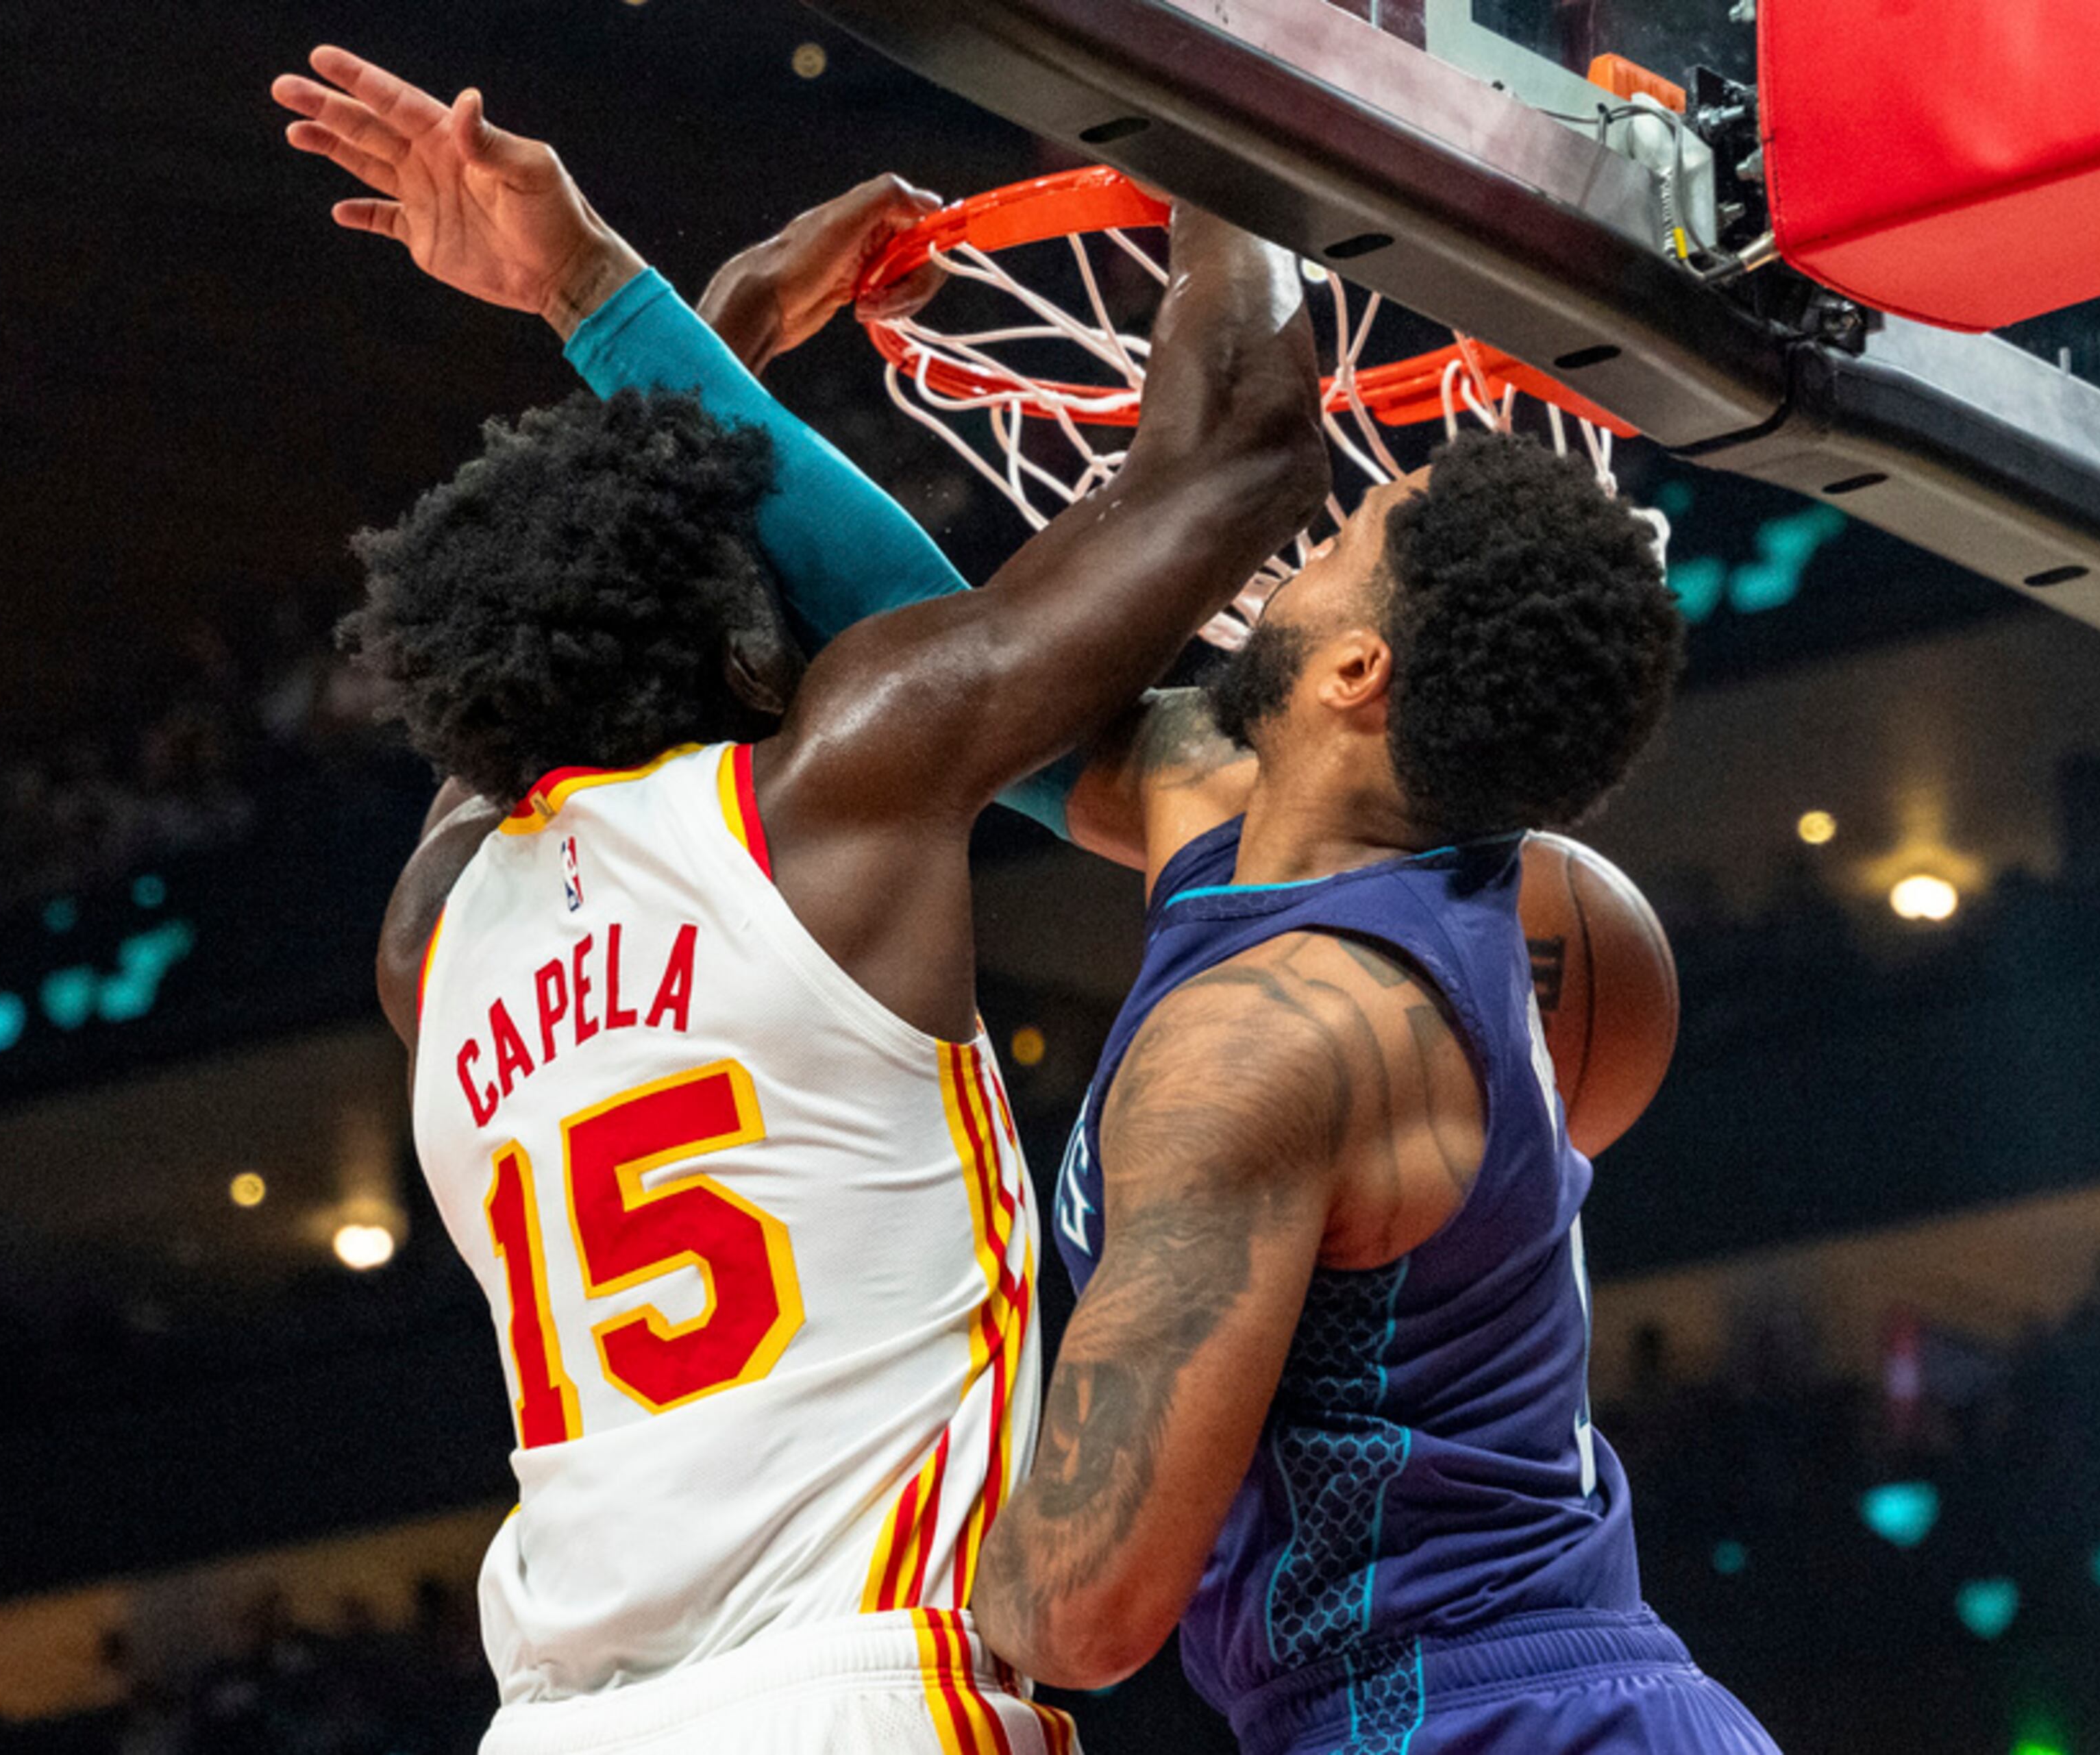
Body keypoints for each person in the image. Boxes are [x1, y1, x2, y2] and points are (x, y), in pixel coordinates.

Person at [571, 178, 1770, 1749]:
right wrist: (609, 307)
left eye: (1343, 544)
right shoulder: (1262, 819)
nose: (1313, 550)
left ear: (1355, 673)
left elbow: (1080, 1609)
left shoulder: (1271, 1044)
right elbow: (943, 650)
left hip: (1484, 1721)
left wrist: (786, 1601)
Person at [271, 44, 1329, 1755]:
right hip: (845, 1690)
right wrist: (1231, 90)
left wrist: (679, 329)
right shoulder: (826, 801)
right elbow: (1243, 457)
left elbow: (552, 618)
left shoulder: (432, 933)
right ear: (758, 643)